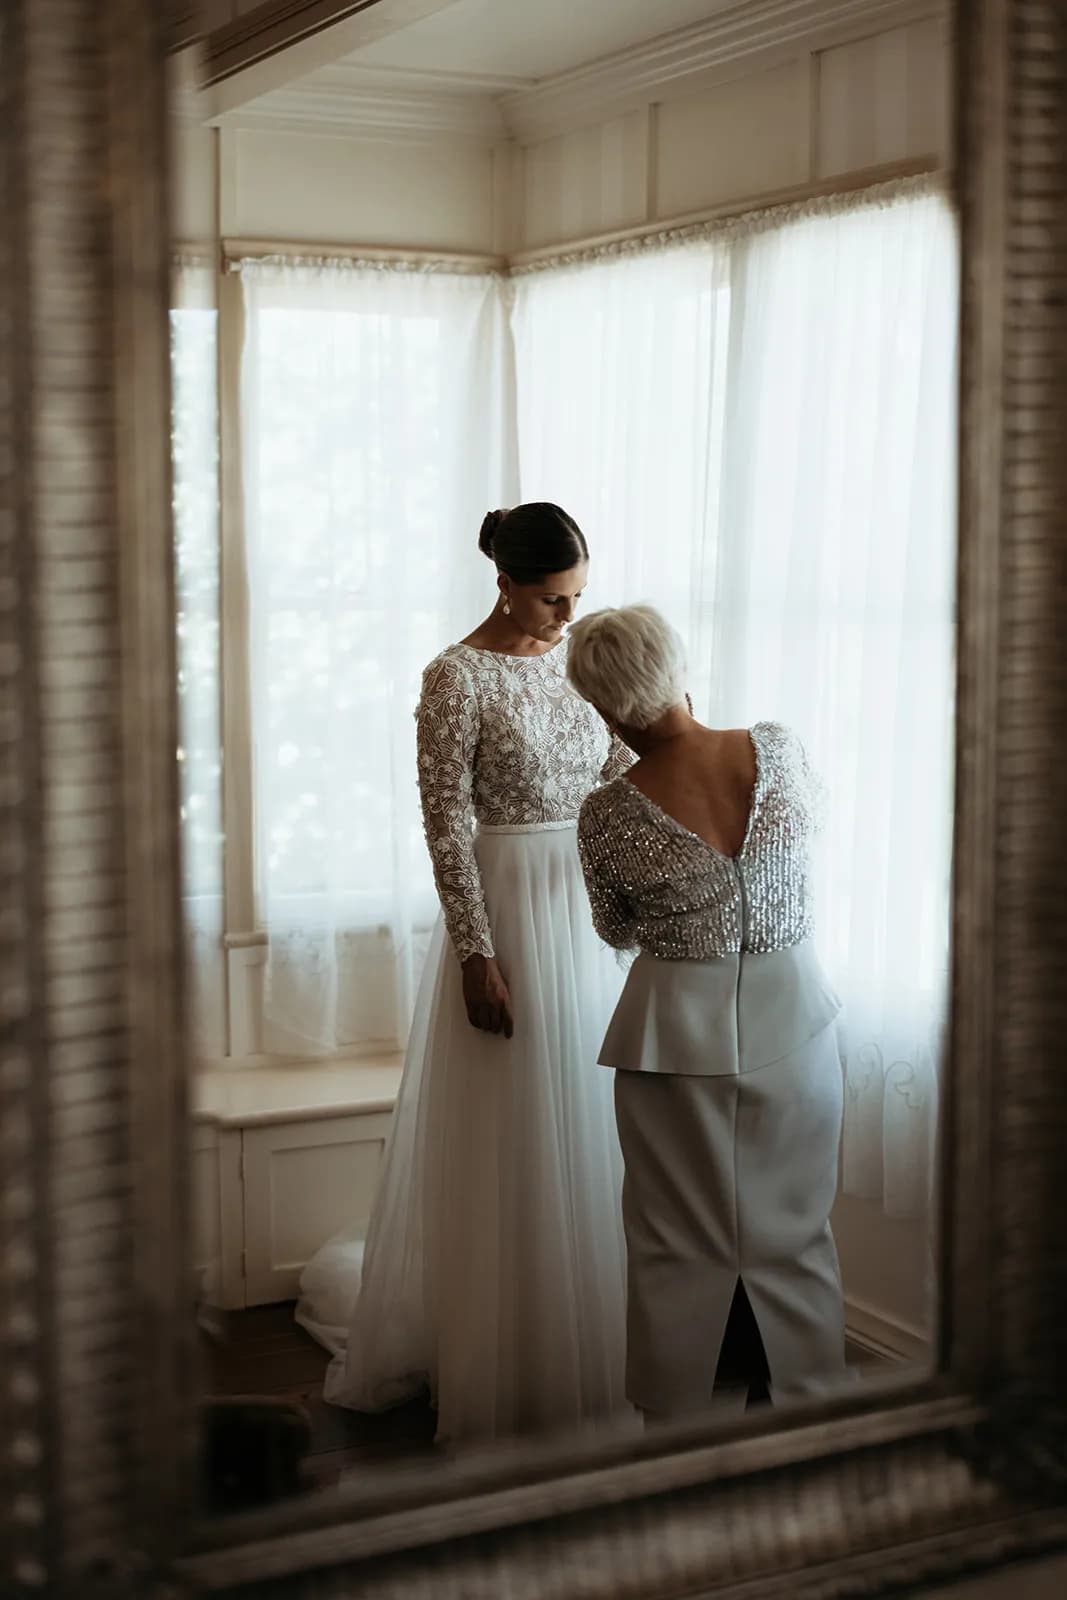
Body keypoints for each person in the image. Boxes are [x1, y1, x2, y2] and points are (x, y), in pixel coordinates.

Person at [296, 504, 634, 1446]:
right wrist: (477, 955)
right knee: (515, 1132)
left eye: (576, 597)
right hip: (510, 915)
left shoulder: (581, 662)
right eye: (552, 599)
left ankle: (590, 1342)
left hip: (585, 909)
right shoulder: (455, 676)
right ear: (505, 583)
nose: (567, 616)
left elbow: (618, 762)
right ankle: (503, 1353)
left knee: (587, 1120)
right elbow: (445, 825)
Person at [566, 603, 848, 1423]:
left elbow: (614, 926)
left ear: (604, 705)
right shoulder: (779, 751)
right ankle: (809, 1409)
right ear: (679, 668)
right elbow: (810, 837)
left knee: (672, 1242)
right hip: (795, 1024)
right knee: (796, 1234)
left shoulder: (608, 810)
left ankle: (675, 1421)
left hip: (669, 1040)